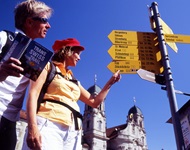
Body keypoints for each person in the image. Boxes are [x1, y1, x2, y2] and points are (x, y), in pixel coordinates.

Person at [22, 38, 121, 150]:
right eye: (77, 53)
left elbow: (94, 102)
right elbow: (33, 94)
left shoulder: (73, 80)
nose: (79, 57)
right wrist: (32, 127)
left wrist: (111, 82)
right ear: (67, 51)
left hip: (73, 131)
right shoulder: (47, 67)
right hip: (49, 124)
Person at [0, 0, 53, 149]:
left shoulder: (38, 55)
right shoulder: (4, 38)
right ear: (29, 22)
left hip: (10, 120)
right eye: (45, 21)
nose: (48, 26)